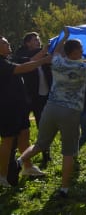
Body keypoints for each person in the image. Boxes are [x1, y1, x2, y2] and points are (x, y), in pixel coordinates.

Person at [18, 27, 86, 197]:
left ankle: (19, 161)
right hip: (70, 112)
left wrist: (64, 37)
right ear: (75, 52)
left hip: (51, 108)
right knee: (68, 151)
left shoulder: (57, 62)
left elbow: (56, 51)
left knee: (40, 144)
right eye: (81, 49)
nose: (83, 51)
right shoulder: (83, 67)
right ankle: (64, 188)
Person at [0, 35, 51, 187]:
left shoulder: (7, 59)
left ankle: (27, 167)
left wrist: (46, 50)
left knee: (24, 135)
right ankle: (2, 176)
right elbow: (22, 68)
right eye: (4, 43)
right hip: (7, 108)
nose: (8, 43)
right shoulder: (1, 64)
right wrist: (43, 61)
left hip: (19, 106)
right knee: (8, 140)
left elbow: (30, 60)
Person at [13, 32, 53, 167]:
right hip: (27, 98)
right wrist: (45, 51)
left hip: (44, 96)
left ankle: (46, 154)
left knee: (43, 124)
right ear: (27, 43)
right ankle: (14, 157)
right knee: (20, 127)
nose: (38, 41)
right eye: (34, 40)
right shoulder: (20, 55)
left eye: (38, 39)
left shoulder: (44, 54)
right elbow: (32, 61)